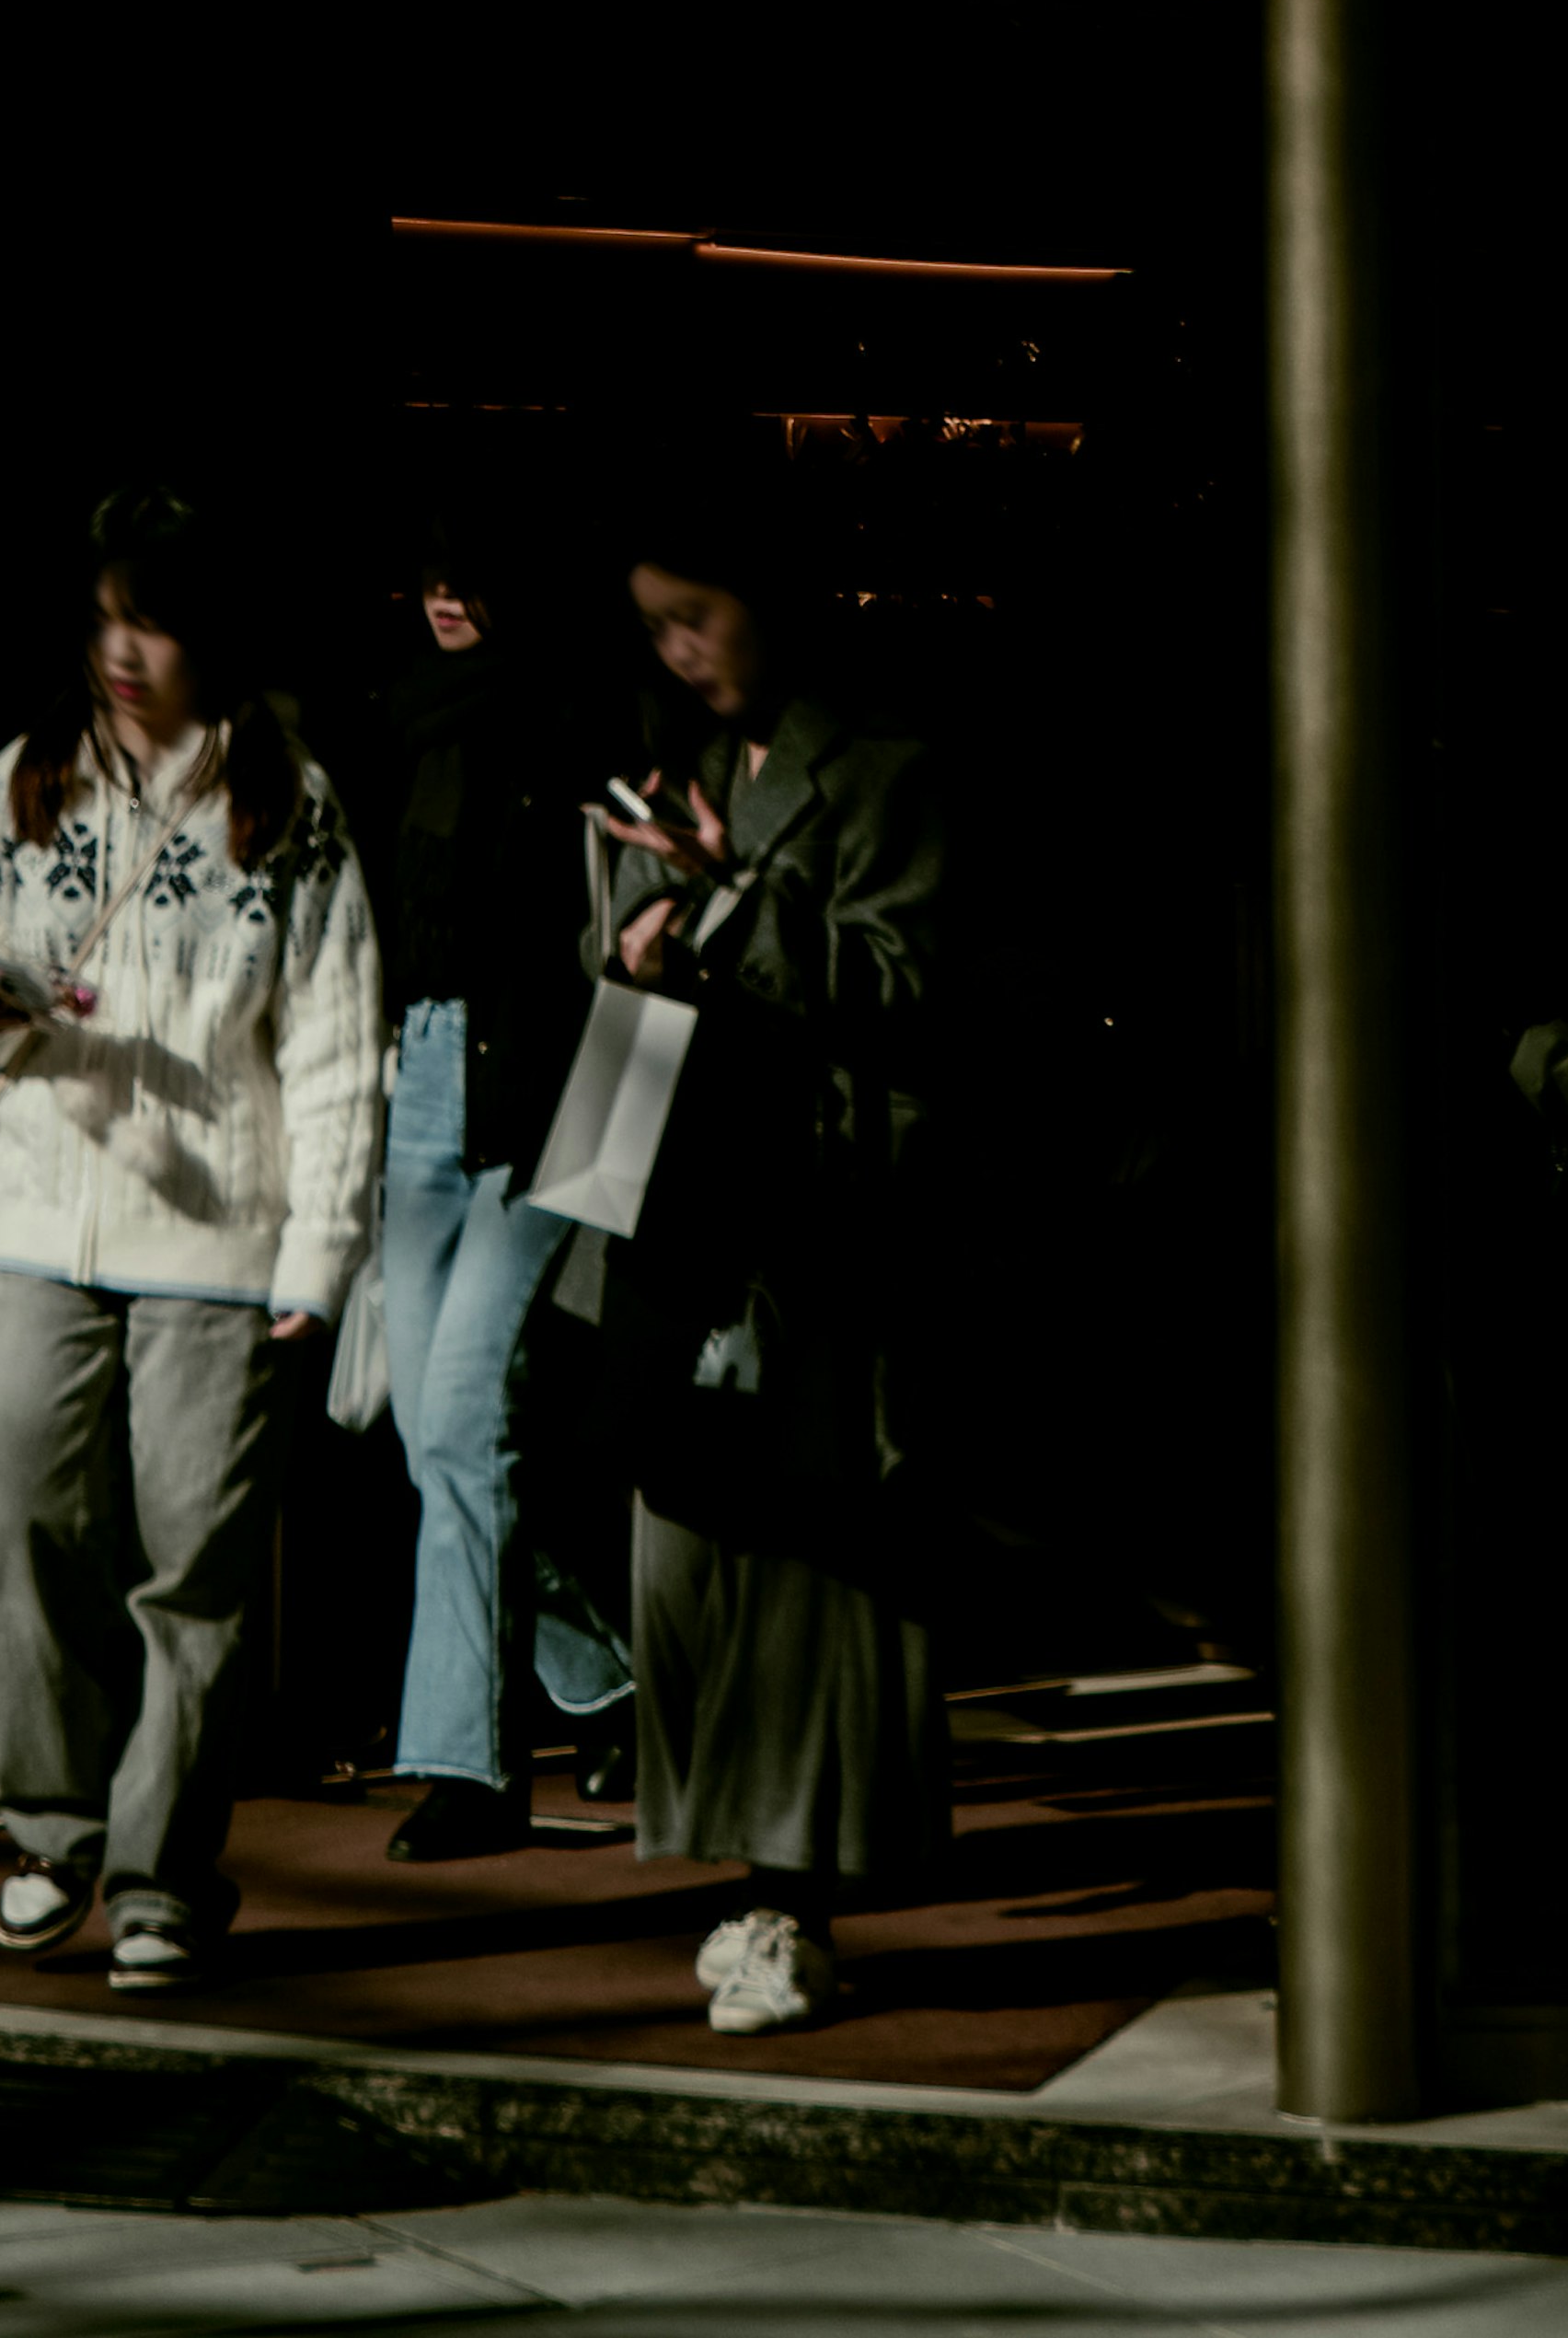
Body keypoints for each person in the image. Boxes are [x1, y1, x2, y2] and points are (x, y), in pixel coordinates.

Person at [0, 489, 381, 1999]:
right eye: (108, 612)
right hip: (48, 1203)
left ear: (214, 635)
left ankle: (161, 1873)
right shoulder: (31, 772)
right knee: (13, 1513)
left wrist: (319, 1254)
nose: (124, 647)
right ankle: (54, 1824)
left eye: (159, 618)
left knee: (193, 1562)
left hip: (218, 1232)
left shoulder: (292, 801)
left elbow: (332, 1040)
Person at [582, 453, 949, 2041]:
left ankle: (792, 1897)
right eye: (655, 624)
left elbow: (913, 990)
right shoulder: (671, 767)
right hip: (686, 1212)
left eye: (698, 615)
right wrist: (630, 942)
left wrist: (735, 907)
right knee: (694, 1551)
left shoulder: (881, 769)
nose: (676, 649)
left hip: (813, 1220)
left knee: (799, 1569)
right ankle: (750, 1885)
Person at [370, 519, 629, 1855]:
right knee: (435, 1432)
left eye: (473, 569)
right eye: (428, 571)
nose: (449, 596)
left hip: (547, 1101)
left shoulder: (579, 720)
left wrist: (611, 1161)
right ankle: (597, 1671)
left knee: (465, 1416)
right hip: (418, 1081)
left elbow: (640, 938)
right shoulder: (397, 726)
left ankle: (469, 1766)